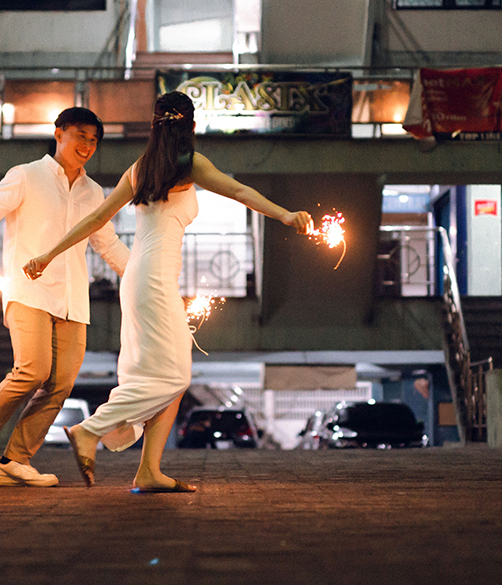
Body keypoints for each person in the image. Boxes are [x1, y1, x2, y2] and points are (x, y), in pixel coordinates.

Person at [24, 91, 313, 493]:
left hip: (140, 279)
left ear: (155, 125)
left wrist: (49, 253)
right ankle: (91, 429)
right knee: (176, 374)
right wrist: (285, 214)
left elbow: (96, 219)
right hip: (154, 279)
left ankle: (149, 472)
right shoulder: (189, 163)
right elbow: (240, 192)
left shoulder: (141, 168)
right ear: (192, 127)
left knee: (161, 374)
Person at [0, 107, 129, 488]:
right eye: (81, 135)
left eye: (94, 140)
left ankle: (14, 460)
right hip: (29, 291)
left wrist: (145, 280)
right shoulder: (26, 175)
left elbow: (107, 243)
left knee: (60, 384)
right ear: (59, 133)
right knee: (33, 369)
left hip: (73, 298)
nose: (87, 145)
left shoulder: (94, 192)